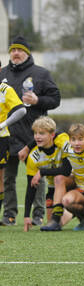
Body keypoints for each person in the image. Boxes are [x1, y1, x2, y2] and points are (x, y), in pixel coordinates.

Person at [0, 36, 61, 226]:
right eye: (12, 50)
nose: (15, 53)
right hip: (7, 136)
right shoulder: (2, 73)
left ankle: (38, 214)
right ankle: (9, 215)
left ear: (27, 53)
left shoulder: (41, 73)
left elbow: (56, 99)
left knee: (37, 176)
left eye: (19, 50)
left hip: (33, 136)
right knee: (8, 177)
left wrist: (38, 101)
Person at [24, 116, 70, 232]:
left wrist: (42, 172)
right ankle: (82, 216)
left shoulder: (61, 142)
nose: (37, 137)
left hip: (74, 182)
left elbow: (66, 170)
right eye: (35, 133)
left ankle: (80, 211)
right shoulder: (33, 157)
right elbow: (31, 187)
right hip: (54, 188)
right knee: (51, 222)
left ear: (52, 135)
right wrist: (26, 216)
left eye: (42, 133)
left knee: (61, 180)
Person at [0, 59, 27, 214]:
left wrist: (3, 124)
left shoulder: (5, 90)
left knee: (1, 178)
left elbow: (21, 110)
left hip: (1, 139)